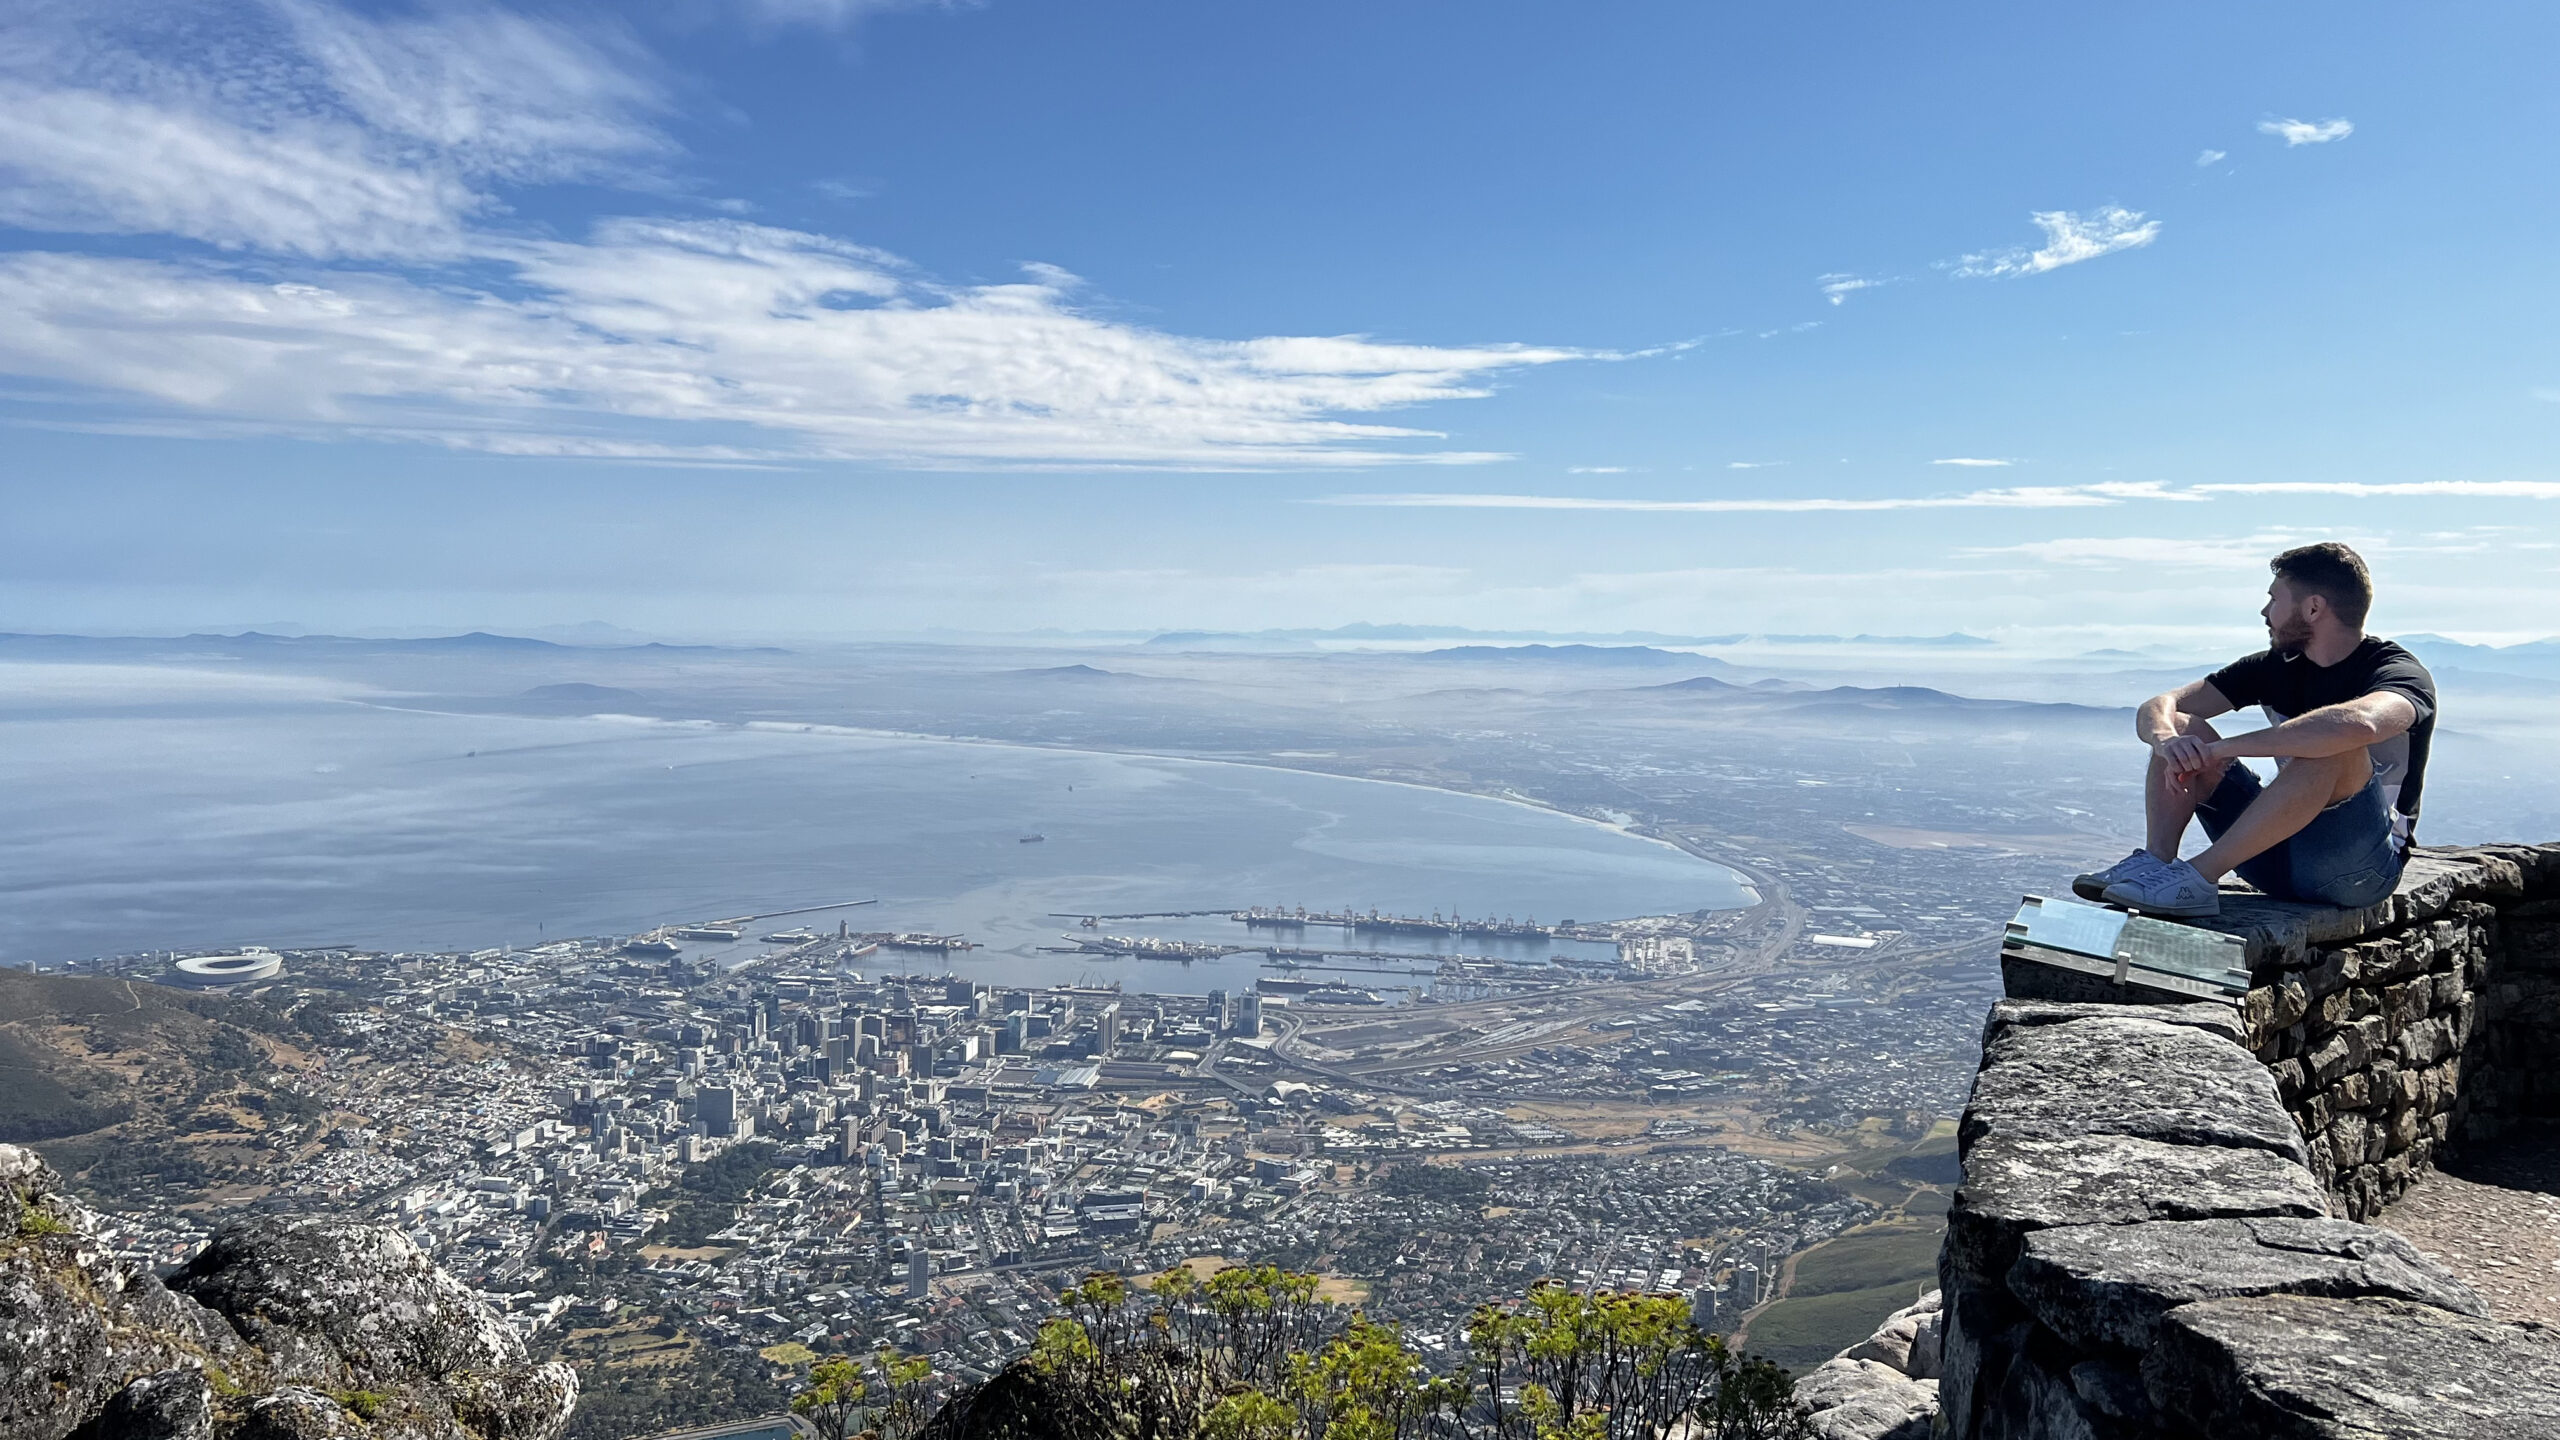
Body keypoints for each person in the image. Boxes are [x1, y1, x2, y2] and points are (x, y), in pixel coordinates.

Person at [2075, 542, 2436, 919]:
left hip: (2356, 872)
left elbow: (2363, 723)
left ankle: (2197, 880)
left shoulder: (2396, 673)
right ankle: (2156, 862)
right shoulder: (2275, 667)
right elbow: (2161, 706)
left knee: (2334, 745)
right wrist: (2168, 742)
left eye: (2274, 598)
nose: (2265, 612)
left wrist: (2221, 750)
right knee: (2184, 728)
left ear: (2313, 608)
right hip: (2272, 857)